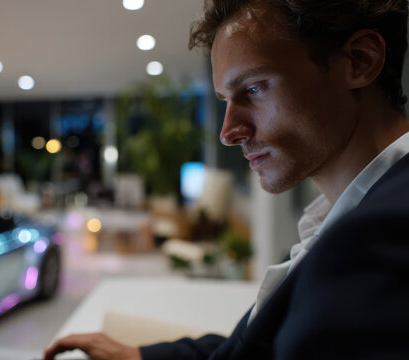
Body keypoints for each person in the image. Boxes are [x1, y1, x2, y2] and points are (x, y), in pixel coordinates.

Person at [44, 0, 409, 359]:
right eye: (225, 101)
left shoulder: (379, 241)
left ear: (360, 61)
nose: (228, 132)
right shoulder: (341, 218)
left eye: (253, 88)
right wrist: (139, 355)